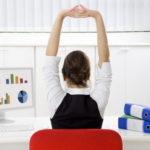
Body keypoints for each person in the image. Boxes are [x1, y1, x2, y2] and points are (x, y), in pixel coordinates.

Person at [42, 5, 112, 129]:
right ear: (89, 74)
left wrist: (61, 16)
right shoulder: (98, 103)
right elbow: (104, 61)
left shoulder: (56, 102)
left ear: (63, 76)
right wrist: (97, 17)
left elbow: (49, 63)